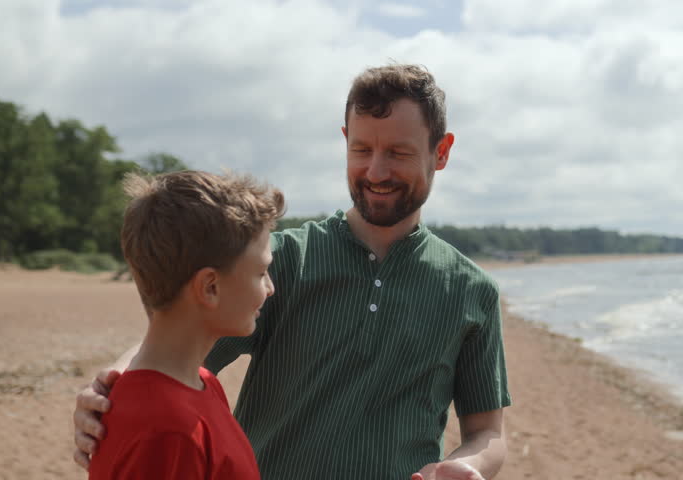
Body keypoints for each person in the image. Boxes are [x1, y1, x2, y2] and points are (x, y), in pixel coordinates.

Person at [74, 64, 510, 479]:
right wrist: (109, 388)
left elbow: (487, 432)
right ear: (344, 140)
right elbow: (175, 338)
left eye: (397, 153)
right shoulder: (279, 260)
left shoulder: (472, 291)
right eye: (361, 149)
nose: (376, 171)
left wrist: (467, 466)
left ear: (442, 151)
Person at [87, 170, 285, 479]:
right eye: (261, 273)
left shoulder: (204, 383)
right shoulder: (168, 430)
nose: (270, 288)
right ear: (210, 287)